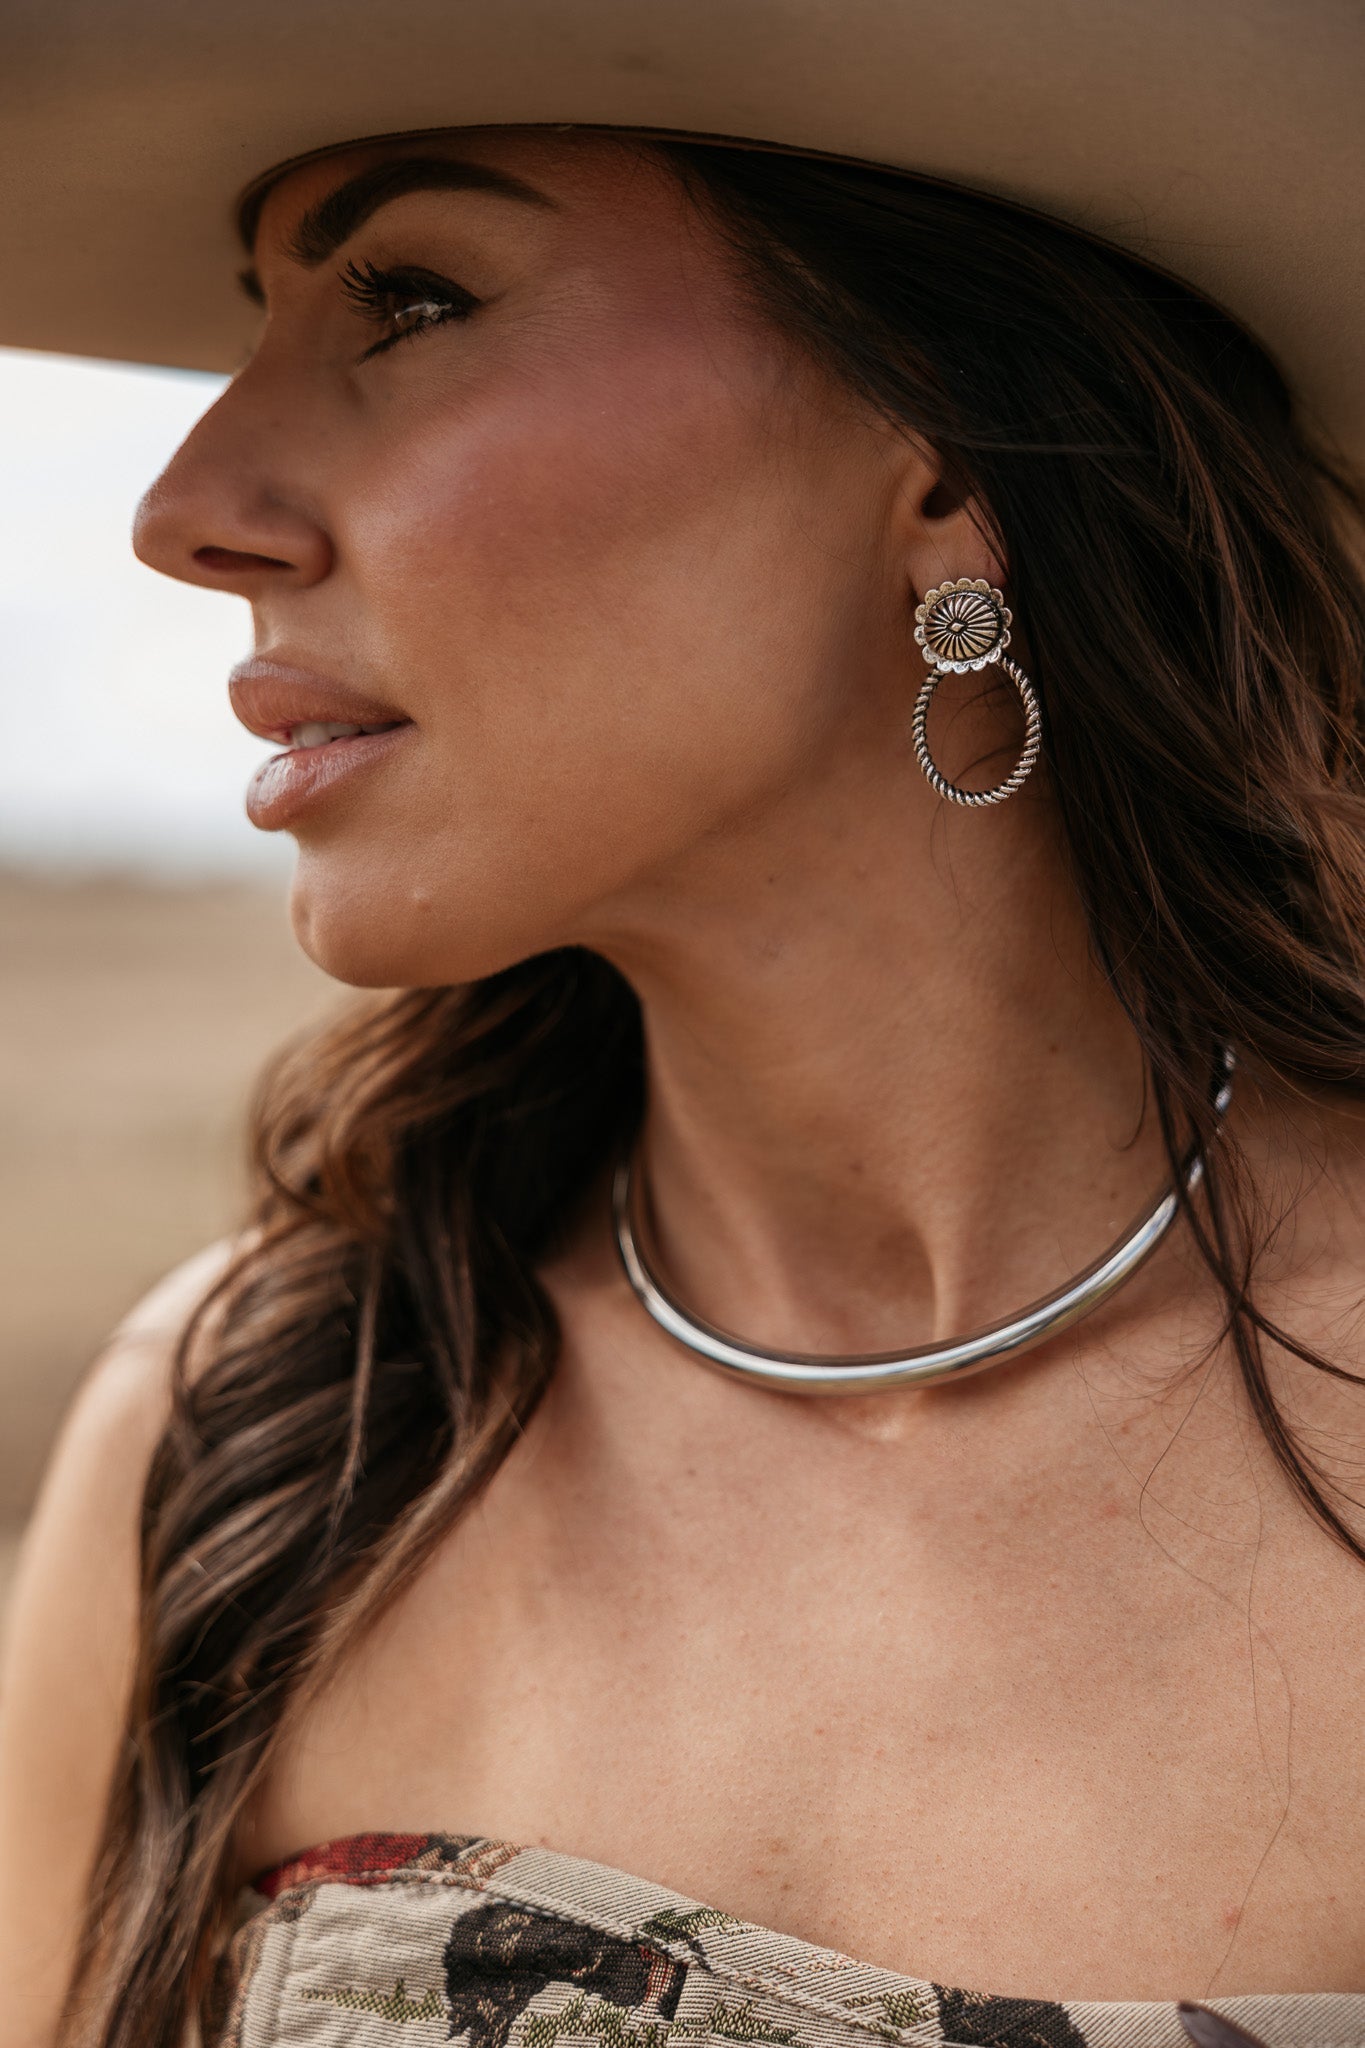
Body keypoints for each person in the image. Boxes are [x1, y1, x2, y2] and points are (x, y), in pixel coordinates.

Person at [1, 8, 1364, 2048]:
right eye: (249, 332)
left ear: (944, 471)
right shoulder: (257, 1442)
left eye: (409, 297)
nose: (190, 505)